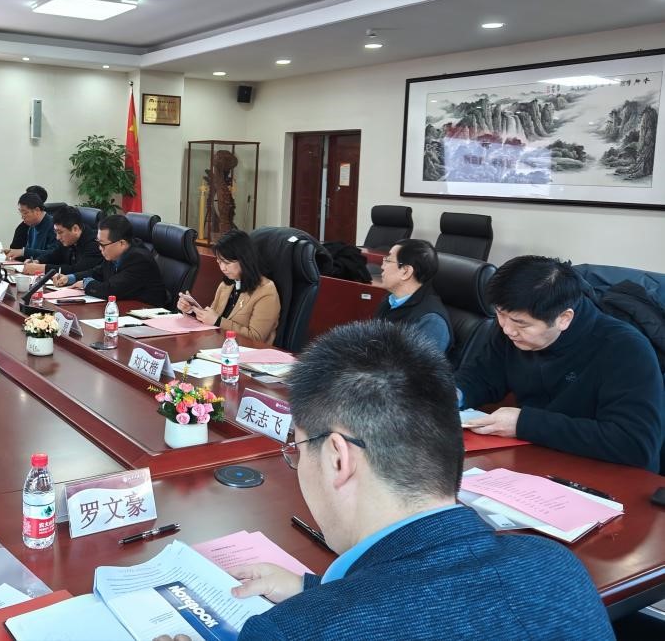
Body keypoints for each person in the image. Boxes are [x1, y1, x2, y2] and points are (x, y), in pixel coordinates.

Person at [172, 320, 612, 640]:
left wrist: (316, 608)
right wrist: (314, 590)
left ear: (338, 458)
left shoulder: (293, 631)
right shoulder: (556, 568)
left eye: (299, 449)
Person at [457, 256, 663, 471]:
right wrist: (454, 393)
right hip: (539, 458)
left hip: (607, 473)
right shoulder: (511, 325)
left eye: (521, 323)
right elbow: (483, 375)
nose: (507, 329)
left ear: (564, 318)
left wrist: (524, 424)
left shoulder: (625, 349)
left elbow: (634, 444)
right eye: (500, 314)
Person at [176, 229, 280, 344]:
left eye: (227, 263)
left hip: (247, 351)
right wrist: (192, 311)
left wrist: (218, 321)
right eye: (219, 262)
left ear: (244, 260)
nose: (223, 268)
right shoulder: (226, 285)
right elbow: (211, 319)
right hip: (218, 345)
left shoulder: (266, 290)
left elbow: (256, 338)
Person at [52, 213, 166, 306]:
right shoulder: (114, 253)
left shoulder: (139, 259)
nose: (99, 248)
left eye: (102, 244)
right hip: (123, 307)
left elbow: (111, 290)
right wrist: (70, 278)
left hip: (145, 314)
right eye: (98, 243)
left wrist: (86, 283)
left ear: (122, 243)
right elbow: (97, 273)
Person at [374, 238, 451, 353]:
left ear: (406, 272)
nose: (382, 266)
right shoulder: (390, 300)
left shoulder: (432, 322)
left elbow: (416, 365)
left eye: (388, 260)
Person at [20, 206, 102, 276]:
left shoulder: (95, 244)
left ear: (75, 229)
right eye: (56, 232)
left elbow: (78, 270)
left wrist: (42, 268)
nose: (57, 237)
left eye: (60, 232)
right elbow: (55, 254)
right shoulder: (69, 240)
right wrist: (38, 261)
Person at [5, 191, 59, 261]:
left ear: (37, 210)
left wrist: (23, 252)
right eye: (21, 213)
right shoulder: (32, 226)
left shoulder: (54, 226)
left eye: (25, 213)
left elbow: (54, 254)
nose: (22, 217)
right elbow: (30, 254)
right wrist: (14, 253)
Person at [10, 185, 47, 252]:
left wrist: (22, 253)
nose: (22, 217)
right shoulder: (30, 226)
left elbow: (52, 253)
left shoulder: (52, 226)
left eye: (25, 212)